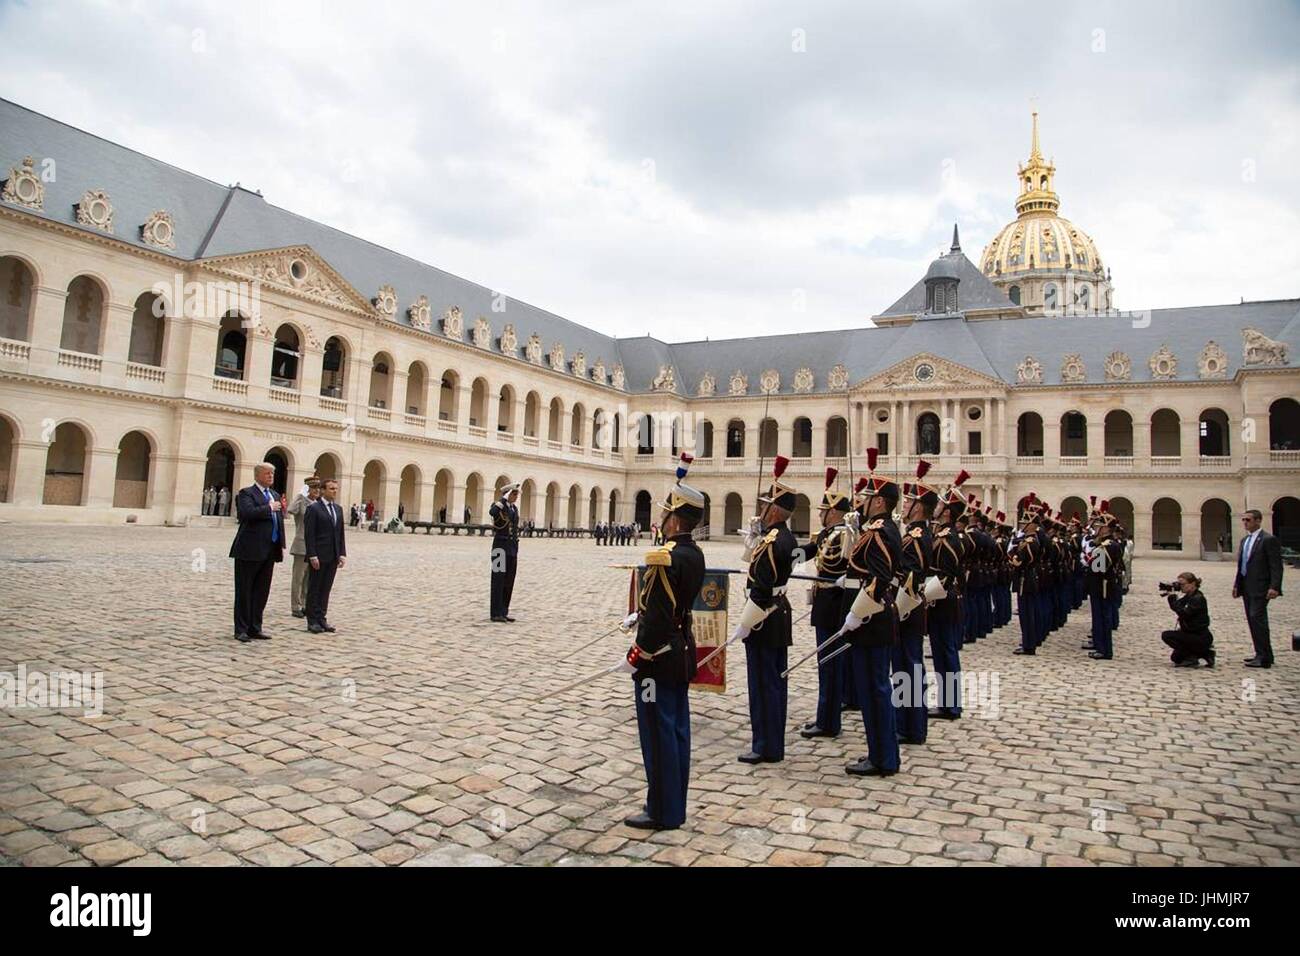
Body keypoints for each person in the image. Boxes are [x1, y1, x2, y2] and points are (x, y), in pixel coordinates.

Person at [623, 456, 707, 831]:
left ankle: (661, 810)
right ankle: (674, 806)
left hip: (657, 660)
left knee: (658, 736)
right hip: (681, 652)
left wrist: (636, 656)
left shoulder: (664, 557)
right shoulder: (694, 554)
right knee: (676, 731)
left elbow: (656, 620)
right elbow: (665, 608)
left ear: (673, 520)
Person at [840, 452, 903, 776]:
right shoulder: (884, 528)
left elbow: (879, 580)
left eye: (868, 497)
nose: (863, 502)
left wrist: (856, 614)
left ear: (879, 501)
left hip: (872, 619)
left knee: (875, 689)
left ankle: (882, 758)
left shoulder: (879, 531)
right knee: (875, 688)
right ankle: (884, 753)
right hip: (876, 617)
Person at [733, 456, 797, 764]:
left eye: (764, 505)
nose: (760, 510)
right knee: (774, 681)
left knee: (764, 684)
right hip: (777, 614)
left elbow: (761, 585)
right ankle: (771, 742)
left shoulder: (773, 541)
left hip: (764, 617)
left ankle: (766, 745)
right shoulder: (782, 537)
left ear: (774, 510)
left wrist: (746, 622)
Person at [797, 468, 851, 741]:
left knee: (829, 664)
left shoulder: (843, 536)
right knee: (826, 664)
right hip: (825, 605)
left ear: (834, 512)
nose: (819, 514)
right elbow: (802, 554)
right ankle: (826, 716)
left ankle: (828, 721)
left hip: (833, 606)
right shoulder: (827, 535)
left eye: (823, 510)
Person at [894, 461, 935, 744]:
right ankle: (912, 724)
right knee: (909, 666)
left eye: (909, 500)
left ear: (918, 507)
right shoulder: (914, 533)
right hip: (911, 607)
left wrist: (898, 608)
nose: (904, 505)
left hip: (907, 609)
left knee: (907, 666)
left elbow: (911, 576)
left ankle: (910, 727)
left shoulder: (917, 536)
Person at [928, 470, 970, 720]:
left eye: (941, 504)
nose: (936, 507)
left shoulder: (947, 538)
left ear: (946, 512)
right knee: (943, 652)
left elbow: (944, 575)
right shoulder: (943, 534)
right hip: (943, 599)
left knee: (946, 652)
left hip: (943, 600)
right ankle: (947, 703)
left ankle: (951, 705)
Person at [228, 462, 284, 643]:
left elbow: (278, 521)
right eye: (268, 473)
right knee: (244, 591)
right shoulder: (247, 493)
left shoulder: (274, 495)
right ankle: (241, 629)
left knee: (261, 591)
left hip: (269, 550)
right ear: (258, 475)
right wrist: (268, 508)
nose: (271, 476)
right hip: (249, 550)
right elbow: (246, 513)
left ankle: (255, 627)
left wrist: (280, 542)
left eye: (273, 474)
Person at [1234, 508, 1283, 668]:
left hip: (1261, 587)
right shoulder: (1245, 540)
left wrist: (1274, 586)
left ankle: (1263, 656)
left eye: (1248, 520)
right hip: (1247, 586)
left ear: (1258, 520)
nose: (1245, 523)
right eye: (1243, 520)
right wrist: (1237, 585)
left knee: (1257, 619)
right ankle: (1262, 653)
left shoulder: (1268, 539)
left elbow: (1276, 566)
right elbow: (1242, 565)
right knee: (1253, 620)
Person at [304, 478, 347, 634]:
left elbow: (340, 533)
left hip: (333, 555)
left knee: (325, 589)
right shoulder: (314, 509)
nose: (334, 491)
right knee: (314, 588)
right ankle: (312, 620)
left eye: (336, 488)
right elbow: (309, 534)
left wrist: (342, 553)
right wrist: (312, 555)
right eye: (331, 488)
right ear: (322, 490)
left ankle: (322, 618)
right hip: (319, 555)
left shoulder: (338, 509)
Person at [1161, 572, 1214, 667]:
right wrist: (1171, 596)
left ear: (1192, 584)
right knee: (1176, 658)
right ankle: (1204, 653)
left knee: (1167, 636)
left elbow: (1183, 613)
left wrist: (1173, 598)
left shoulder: (1198, 598)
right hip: (1190, 634)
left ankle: (1197, 654)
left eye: (1182, 584)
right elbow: (1177, 606)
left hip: (1200, 637)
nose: (1180, 587)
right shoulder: (1189, 596)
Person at [288, 476, 322, 619]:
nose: (317, 491)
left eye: (318, 488)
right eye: (313, 488)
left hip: (315, 546)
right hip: (301, 544)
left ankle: (305, 604)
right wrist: (300, 495)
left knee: (309, 578)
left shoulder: (319, 505)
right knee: (298, 577)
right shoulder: (302, 502)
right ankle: (296, 606)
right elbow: (290, 509)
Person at [489, 483, 521, 622]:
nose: (516, 497)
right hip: (499, 548)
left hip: (512, 549)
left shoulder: (514, 508)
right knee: (497, 580)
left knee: (508, 581)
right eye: (513, 494)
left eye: (516, 494)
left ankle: (503, 611)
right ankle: (495, 613)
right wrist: (503, 499)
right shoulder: (498, 506)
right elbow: (492, 513)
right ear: (507, 494)